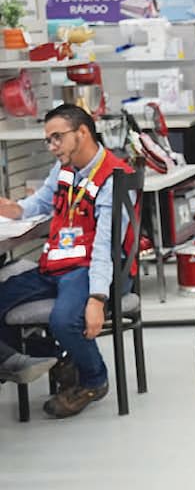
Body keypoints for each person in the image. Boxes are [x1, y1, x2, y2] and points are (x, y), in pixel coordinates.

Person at [0, 103, 135, 417]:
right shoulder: (63, 169)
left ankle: (94, 379)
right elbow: (38, 203)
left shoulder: (112, 178)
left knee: (64, 320)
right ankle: (54, 358)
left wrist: (97, 299)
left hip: (96, 268)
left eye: (57, 138)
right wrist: (14, 209)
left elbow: (105, 247)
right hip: (59, 264)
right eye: (48, 140)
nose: (52, 146)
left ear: (82, 133)